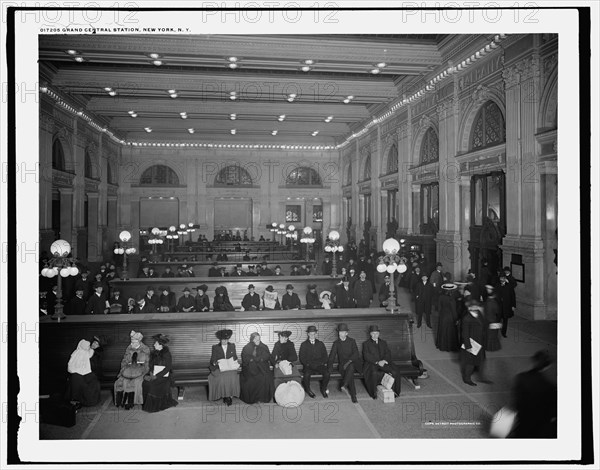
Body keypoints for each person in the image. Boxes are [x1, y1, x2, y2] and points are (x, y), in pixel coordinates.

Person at [509, 350, 557, 438]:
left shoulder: (521, 378)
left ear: (534, 361)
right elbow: (553, 413)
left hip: (523, 423)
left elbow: (516, 404)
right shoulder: (551, 387)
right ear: (548, 366)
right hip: (540, 427)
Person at [362, 325, 402, 398]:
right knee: (373, 373)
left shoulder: (383, 342)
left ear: (379, 334)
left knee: (395, 371)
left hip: (383, 363)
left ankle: (396, 392)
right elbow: (366, 356)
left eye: (376, 333)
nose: (375, 335)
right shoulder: (366, 344)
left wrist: (384, 360)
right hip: (372, 364)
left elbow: (387, 353)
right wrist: (377, 362)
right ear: (370, 334)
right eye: (373, 333)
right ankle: (373, 393)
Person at [141, 334, 178, 412]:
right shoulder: (154, 353)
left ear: (160, 345)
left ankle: (155, 405)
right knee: (145, 383)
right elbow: (151, 365)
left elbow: (168, 368)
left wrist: (156, 376)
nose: (154, 345)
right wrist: (150, 373)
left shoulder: (167, 354)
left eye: (156, 343)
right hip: (154, 373)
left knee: (152, 384)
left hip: (163, 376)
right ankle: (146, 403)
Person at [114, 330, 150, 409]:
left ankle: (134, 401)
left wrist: (144, 372)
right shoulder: (129, 349)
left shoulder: (145, 349)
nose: (131, 343)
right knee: (122, 381)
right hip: (128, 370)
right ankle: (124, 401)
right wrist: (123, 370)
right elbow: (124, 361)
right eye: (131, 341)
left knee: (137, 382)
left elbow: (147, 363)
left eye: (133, 342)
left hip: (140, 370)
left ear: (139, 341)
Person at [460, 300, 492, 386]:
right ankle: (467, 379)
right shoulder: (467, 318)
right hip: (472, 343)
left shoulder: (479, 314)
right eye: (473, 306)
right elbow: (465, 333)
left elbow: (484, 325)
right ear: (469, 308)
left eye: (476, 306)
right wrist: (468, 346)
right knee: (471, 363)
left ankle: (482, 378)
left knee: (481, 361)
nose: (476, 308)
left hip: (480, 342)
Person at [328, 323, 362, 403]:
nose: (341, 334)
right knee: (350, 372)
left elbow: (356, 354)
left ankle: (345, 385)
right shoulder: (336, 343)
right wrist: (330, 367)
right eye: (340, 332)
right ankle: (352, 394)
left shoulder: (352, 341)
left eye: (343, 332)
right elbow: (332, 356)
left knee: (351, 366)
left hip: (353, 363)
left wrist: (349, 361)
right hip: (343, 366)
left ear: (347, 333)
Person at [208, 329, 240, 406]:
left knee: (233, 375)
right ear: (220, 339)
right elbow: (213, 359)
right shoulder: (215, 347)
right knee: (222, 377)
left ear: (228, 339)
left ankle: (228, 396)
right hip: (219, 367)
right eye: (223, 340)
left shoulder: (232, 346)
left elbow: (235, 357)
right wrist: (215, 362)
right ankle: (226, 396)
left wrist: (234, 360)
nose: (224, 341)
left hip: (230, 367)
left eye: (226, 339)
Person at [240, 332, 274, 404]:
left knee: (265, 377)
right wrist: (253, 360)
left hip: (262, 367)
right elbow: (245, 358)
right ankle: (253, 399)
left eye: (259, 339)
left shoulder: (264, 346)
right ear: (252, 339)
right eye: (256, 339)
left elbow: (267, 356)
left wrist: (257, 359)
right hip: (250, 368)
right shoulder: (246, 347)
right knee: (250, 379)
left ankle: (262, 398)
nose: (258, 341)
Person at [66, 339, 101, 407]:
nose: (94, 345)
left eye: (97, 344)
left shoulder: (92, 352)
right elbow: (71, 363)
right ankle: (77, 400)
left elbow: (91, 359)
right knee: (78, 382)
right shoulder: (77, 352)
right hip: (76, 372)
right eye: (94, 342)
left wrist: (91, 350)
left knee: (94, 383)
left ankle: (91, 401)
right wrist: (74, 370)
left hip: (87, 372)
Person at [299, 326, 330, 398]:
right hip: (309, 365)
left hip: (319, 365)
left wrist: (321, 363)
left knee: (327, 373)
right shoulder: (304, 344)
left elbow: (325, 356)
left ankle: (323, 389)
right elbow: (302, 358)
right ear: (308, 334)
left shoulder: (320, 343)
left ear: (316, 334)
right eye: (311, 334)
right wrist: (308, 364)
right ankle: (308, 390)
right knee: (306, 375)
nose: (312, 335)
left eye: (314, 334)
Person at [435, 284, 460, 352]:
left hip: (443, 316)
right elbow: (453, 310)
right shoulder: (451, 299)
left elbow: (439, 308)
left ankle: (442, 346)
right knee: (450, 332)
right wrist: (456, 319)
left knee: (443, 331)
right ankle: (450, 347)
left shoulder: (441, 297)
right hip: (450, 317)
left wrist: (441, 315)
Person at [483, 285, 502, 351]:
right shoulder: (494, 303)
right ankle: (492, 347)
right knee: (492, 335)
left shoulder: (487, 301)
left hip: (486, 319)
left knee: (487, 334)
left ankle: (487, 346)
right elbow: (497, 311)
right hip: (492, 320)